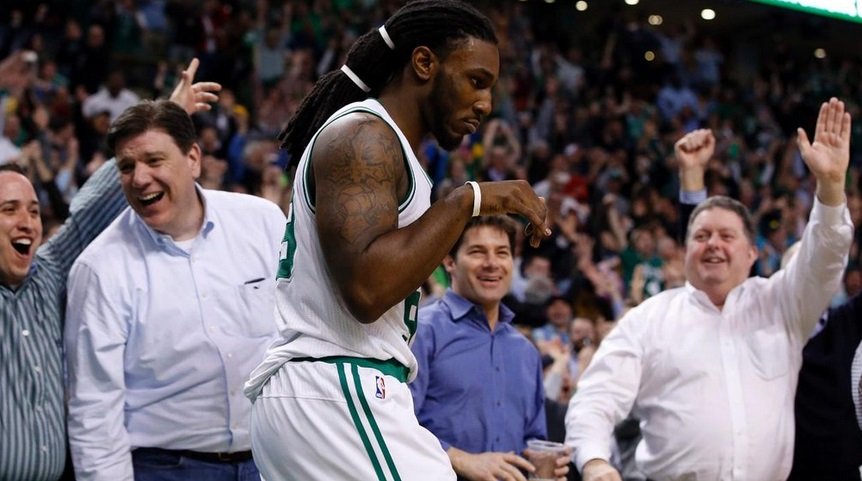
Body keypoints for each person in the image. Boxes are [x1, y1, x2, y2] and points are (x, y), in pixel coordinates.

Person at [243, 1, 552, 480]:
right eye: (476, 81)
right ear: (424, 63)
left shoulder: (385, 145)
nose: (486, 103)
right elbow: (367, 290)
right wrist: (467, 201)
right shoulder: (364, 137)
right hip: (336, 383)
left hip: (327, 390)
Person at [565, 97, 854, 481]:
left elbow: (825, 257)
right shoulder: (649, 320)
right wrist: (596, 463)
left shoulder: (782, 305)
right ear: (685, 251)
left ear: (752, 253)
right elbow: (595, 398)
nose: (713, 244)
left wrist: (831, 187)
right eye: (701, 236)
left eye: (726, 236)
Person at [0, 58, 219, 481]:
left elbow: (88, 214)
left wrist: (167, 116)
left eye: (33, 211)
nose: (27, 222)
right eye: (9, 210)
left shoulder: (47, 274)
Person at [63, 99, 285, 479]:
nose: (139, 178)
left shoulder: (262, 222)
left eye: (154, 160)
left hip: (272, 458)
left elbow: (302, 336)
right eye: (126, 167)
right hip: (164, 468)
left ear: (193, 158)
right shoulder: (99, 269)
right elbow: (94, 410)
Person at [410, 215, 570, 481]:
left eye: (502, 253)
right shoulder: (423, 331)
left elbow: (532, 438)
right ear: (449, 261)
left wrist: (541, 464)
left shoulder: (526, 352)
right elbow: (395, 423)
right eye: (477, 252)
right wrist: (461, 460)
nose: (492, 263)